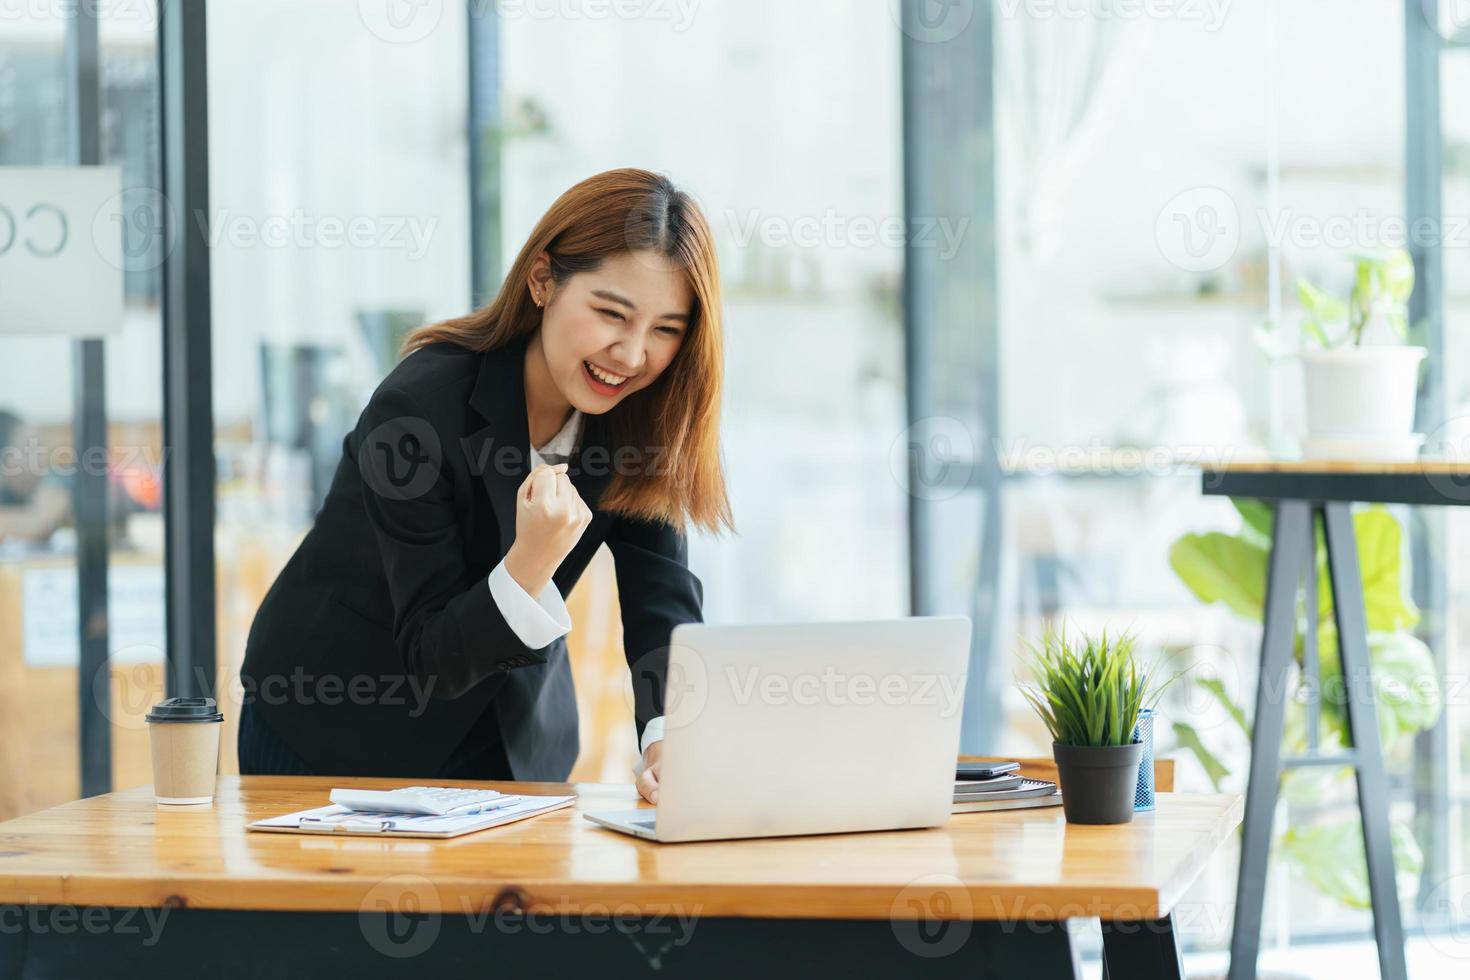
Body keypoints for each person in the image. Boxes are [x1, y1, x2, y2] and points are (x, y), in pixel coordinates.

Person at [238, 169, 733, 804]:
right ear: (543, 281)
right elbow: (432, 653)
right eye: (612, 313)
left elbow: (660, 600)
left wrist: (667, 735)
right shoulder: (416, 410)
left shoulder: (643, 421)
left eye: (666, 329)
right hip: (336, 731)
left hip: (511, 746)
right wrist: (532, 560)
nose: (632, 355)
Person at [0, 410, 71, 545]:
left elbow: (40, 523)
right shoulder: (6, 489)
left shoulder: (56, 479)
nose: (40, 455)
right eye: (29, 448)